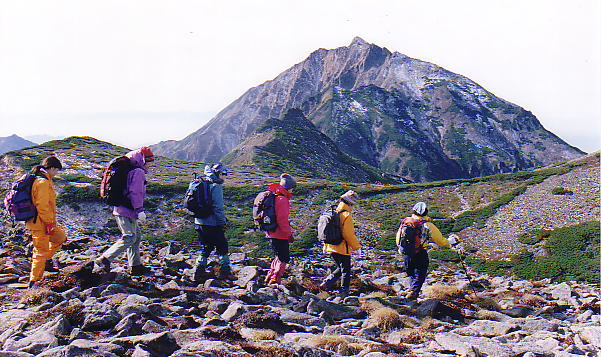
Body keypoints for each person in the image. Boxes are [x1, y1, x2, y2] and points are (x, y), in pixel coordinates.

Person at [94, 146, 154, 275]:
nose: (150, 165)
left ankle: (135, 266)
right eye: (149, 162)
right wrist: (139, 210)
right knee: (129, 237)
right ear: (143, 160)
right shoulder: (138, 172)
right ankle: (104, 259)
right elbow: (136, 192)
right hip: (127, 210)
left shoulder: (130, 168)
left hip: (122, 208)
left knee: (136, 237)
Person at [26, 156, 66, 288]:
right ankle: (34, 282)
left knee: (60, 238)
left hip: (45, 222)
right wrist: (49, 223)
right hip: (39, 223)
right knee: (40, 251)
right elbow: (42, 206)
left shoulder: (45, 180)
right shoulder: (42, 182)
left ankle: (47, 261)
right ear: (52, 168)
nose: (56, 174)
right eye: (56, 171)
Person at [397, 202, 449, 300]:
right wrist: (449, 241)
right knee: (420, 272)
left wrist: (402, 249)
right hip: (419, 251)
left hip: (406, 252)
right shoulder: (427, 225)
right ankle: (413, 292)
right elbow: (440, 240)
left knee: (411, 271)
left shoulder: (406, 222)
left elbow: (398, 237)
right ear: (426, 212)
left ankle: (411, 290)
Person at [319, 190, 361, 299]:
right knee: (346, 269)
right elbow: (348, 234)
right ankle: (343, 292)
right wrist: (356, 246)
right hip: (342, 247)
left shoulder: (333, 212)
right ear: (350, 203)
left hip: (330, 245)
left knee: (341, 267)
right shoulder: (346, 214)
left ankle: (327, 282)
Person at [192, 162, 230, 280]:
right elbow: (218, 207)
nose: (224, 176)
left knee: (206, 247)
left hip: (199, 222)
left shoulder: (202, 184)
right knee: (222, 246)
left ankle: (198, 271)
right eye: (223, 174)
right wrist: (222, 221)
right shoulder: (216, 186)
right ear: (217, 173)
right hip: (212, 223)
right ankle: (224, 272)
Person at [264, 173, 296, 285]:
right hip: (279, 234)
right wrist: (288, 234)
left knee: (278, 255)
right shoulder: (282, 200)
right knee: (284, 257)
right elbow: (282, 220)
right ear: (289, 188)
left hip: (271, 232)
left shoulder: (275, 197)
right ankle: (275, 280)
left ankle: (269, 277)